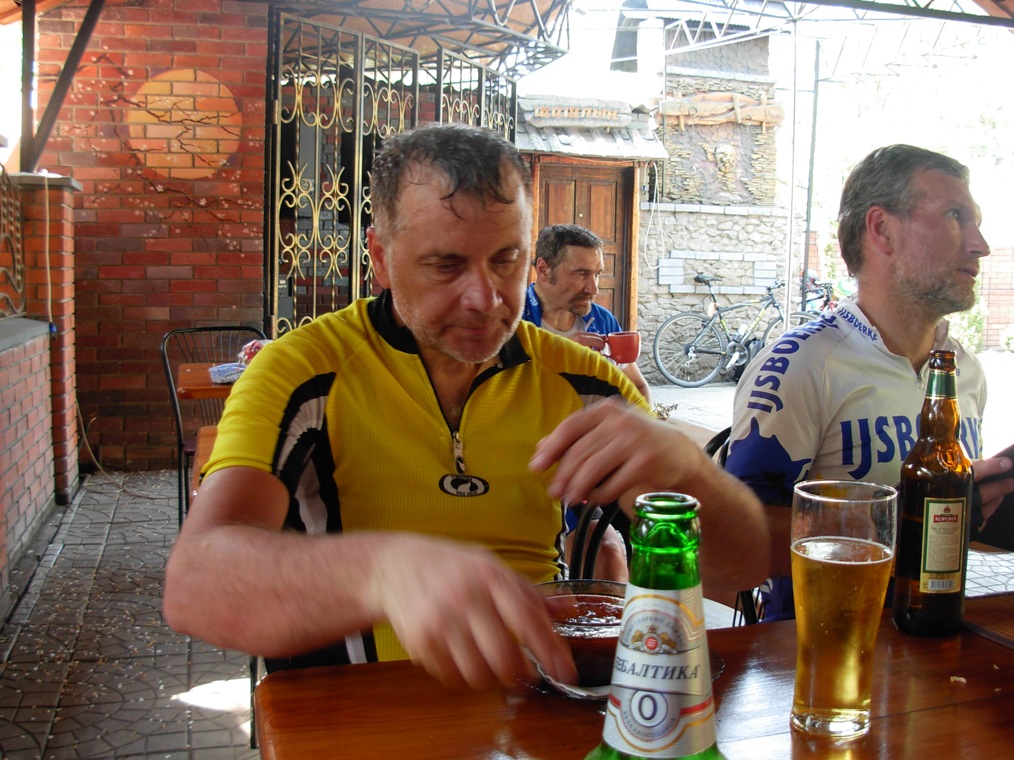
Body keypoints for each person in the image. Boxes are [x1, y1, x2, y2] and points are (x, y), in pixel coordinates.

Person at [164, 124, 769, 691]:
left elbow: (739, 572)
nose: (486, 298)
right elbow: (196, 586)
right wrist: (383, 572)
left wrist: (691, 475)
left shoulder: (586, 382)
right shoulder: (303, 372)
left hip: (538, 704)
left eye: (506, 260)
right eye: (445, 264)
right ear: (381, 257)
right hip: (363, 713)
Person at [725, 144, 1014, 621]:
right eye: (955, 216)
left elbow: (959, 531)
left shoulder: (963, 370)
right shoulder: (804, 364)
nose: (980, 244)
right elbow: (732, 542)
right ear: (881, 229)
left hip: (937, 632)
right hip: (819, 645)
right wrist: (900, 521)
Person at [522, 224, 652, 405]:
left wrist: (645, 419)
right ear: (543, 269)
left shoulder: (603, 320)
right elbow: (500, 401)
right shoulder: (510, 322)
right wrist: (561, 357)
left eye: (597, 274)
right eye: (581, 274)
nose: (594, 288)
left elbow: (638, 386)